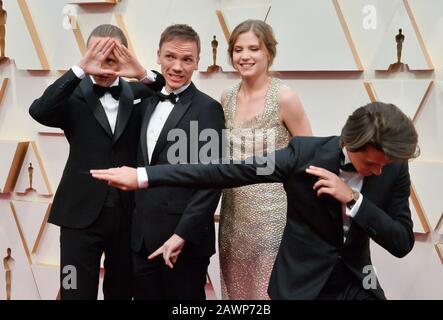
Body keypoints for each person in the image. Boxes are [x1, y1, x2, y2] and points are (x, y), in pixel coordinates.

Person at [92, 101, 419, 300]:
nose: (379, 172)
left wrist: (354, 200)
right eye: (372, 164)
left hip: (357, 286)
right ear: (352, 144)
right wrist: (143, 176)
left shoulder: (392, 167)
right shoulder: (302, 155)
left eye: (384, 165)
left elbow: (401, 242)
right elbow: (225, 171)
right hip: (301, 288)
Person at [29, 24, 164, 300]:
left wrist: (140, 72)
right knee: (73, 290)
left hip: (129, 216)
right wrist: (80, 69)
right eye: (97, 56)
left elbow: (164, 90)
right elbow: (39, 110)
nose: (104, 65)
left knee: (122, 293)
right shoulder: (72, 95)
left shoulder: (138, 93)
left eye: (111, 58)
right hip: (78, 216)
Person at [218, 19, 311, 299]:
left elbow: (308, 155)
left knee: (268, 293)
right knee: (235, 293)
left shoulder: (285, 97)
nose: (244, 56)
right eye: (238, 49)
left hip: (272, 215)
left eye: (254, 48)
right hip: (233, 215)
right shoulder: (226, 97)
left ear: (269, 52)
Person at [129, 24, 224, 300]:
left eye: (187, 59)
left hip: (184, 243)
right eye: (170, 57)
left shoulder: (208, 109)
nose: (178, 66)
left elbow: (212, 179)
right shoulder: (145, 101)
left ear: (197, 62)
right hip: (141, 240)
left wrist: (182, 235)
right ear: (158, 56)